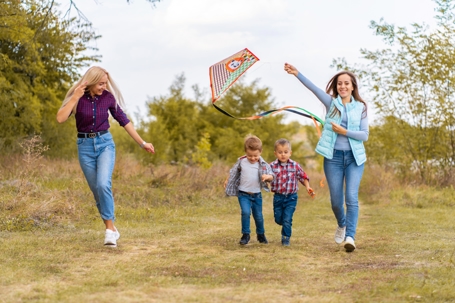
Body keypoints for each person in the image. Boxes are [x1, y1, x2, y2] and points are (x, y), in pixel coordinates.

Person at [56, 66, 155, 248]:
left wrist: (142, 143)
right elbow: (60, 118)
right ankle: (112, 228)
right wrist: (75, 97)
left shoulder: (108, 98)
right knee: (96, 190)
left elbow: (124, 121)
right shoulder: (77, 98)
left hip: (105, 144)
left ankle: (109, 232)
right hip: (84, 147)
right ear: (91, 82)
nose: (104, 87)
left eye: (105, 83)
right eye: (101, 83)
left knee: (103, 184)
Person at [284, 63, 369, 252]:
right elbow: (313, 88)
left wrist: (344, 131)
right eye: (340, 84)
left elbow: (364, 135)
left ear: (353, 86)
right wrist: (297, 73)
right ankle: (342, 224)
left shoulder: (361, 107)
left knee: (351, 198)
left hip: (355, 159)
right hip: (334, 158)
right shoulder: (332, 104)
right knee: (336, 201)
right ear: (336, 87)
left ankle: (350, 237)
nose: (343, 86)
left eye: (347, 83)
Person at [224, 135, 274, 245]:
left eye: (255, 155)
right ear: (245, 152)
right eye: (249, 155)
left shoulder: (263, 164)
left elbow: (272, 176)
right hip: (243, 194)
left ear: (260, 152)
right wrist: (228, 180)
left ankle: (261, 235)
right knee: (245, 213)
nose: (252, 158)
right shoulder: (241, 161)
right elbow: (233, 172)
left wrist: (267, 177)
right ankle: (245, 235)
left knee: (258, 216)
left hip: (256, 195)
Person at [270, 138, 314, 246]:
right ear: (275, 153)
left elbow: (303, 177)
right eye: (280, 152)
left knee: (287, 219)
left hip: (291, 198)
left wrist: (307, 187)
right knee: (278, 219)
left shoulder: (295, 165)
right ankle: (284, 223)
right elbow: (267, 176)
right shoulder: (272, 166)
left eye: (285, 152)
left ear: (290, 153)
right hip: (278, 197)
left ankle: (286, 238)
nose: (283, 155)